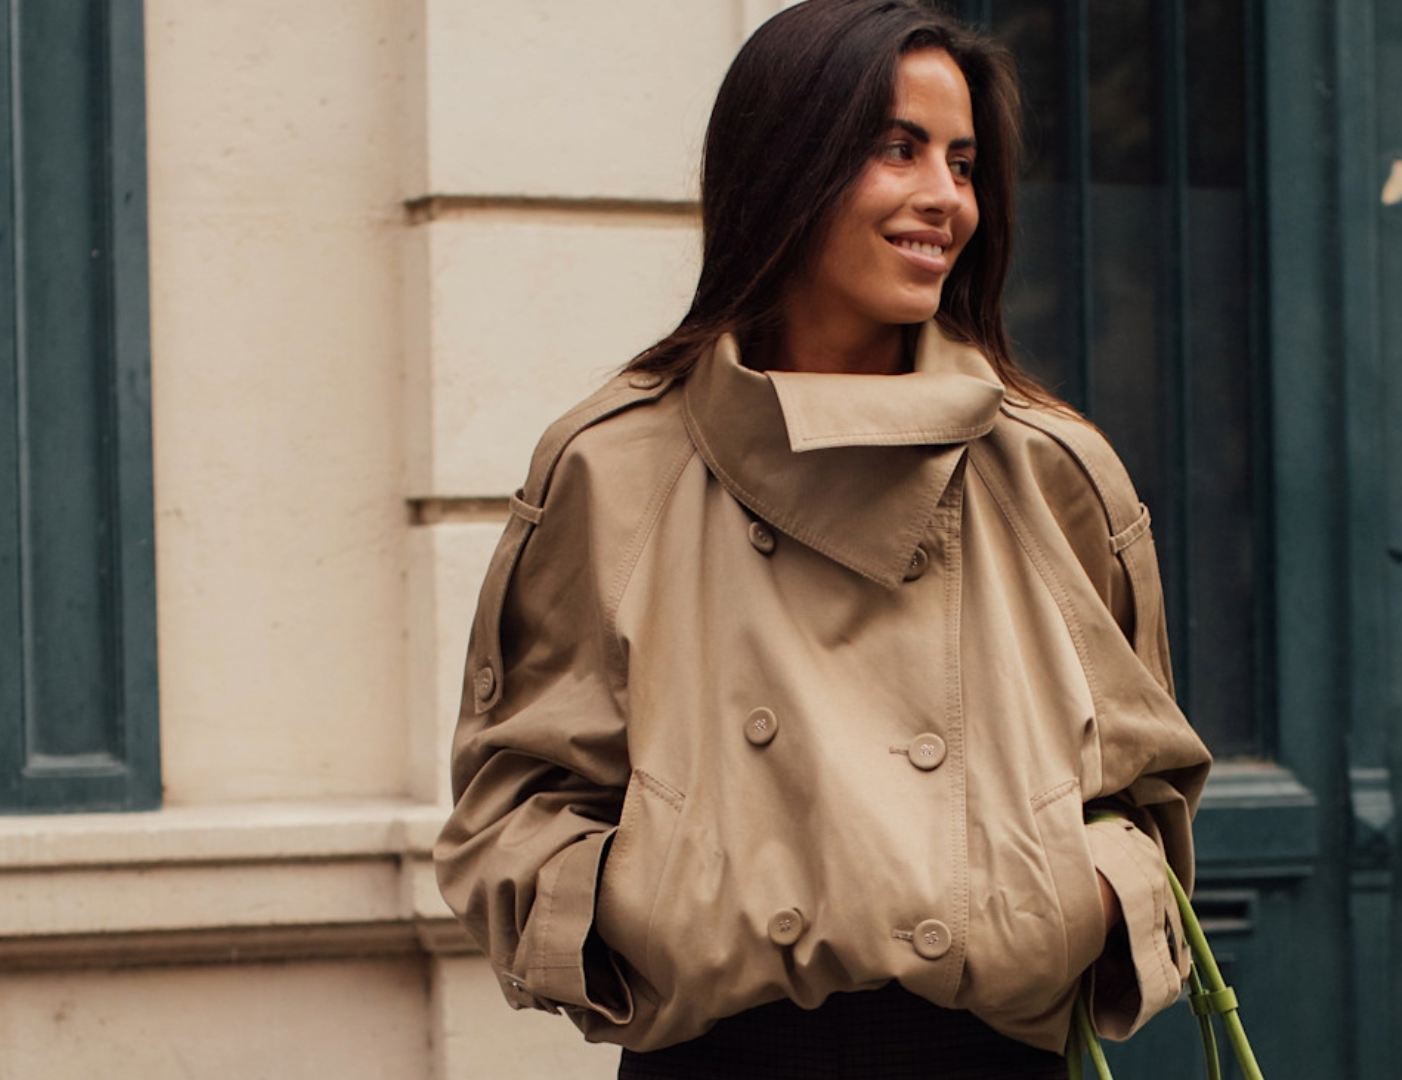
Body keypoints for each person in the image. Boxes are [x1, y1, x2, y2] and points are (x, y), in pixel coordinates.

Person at [433, 2, 1212, 1076]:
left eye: (964, 161)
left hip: (982, 1053)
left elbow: (1146, 788)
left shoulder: (1052, 468)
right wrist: (671, 913)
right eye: (898, 149)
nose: (947, 198)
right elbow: (514, 800)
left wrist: (1050, 909)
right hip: (723, 1055)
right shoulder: (612, 466)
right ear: (784, 164)